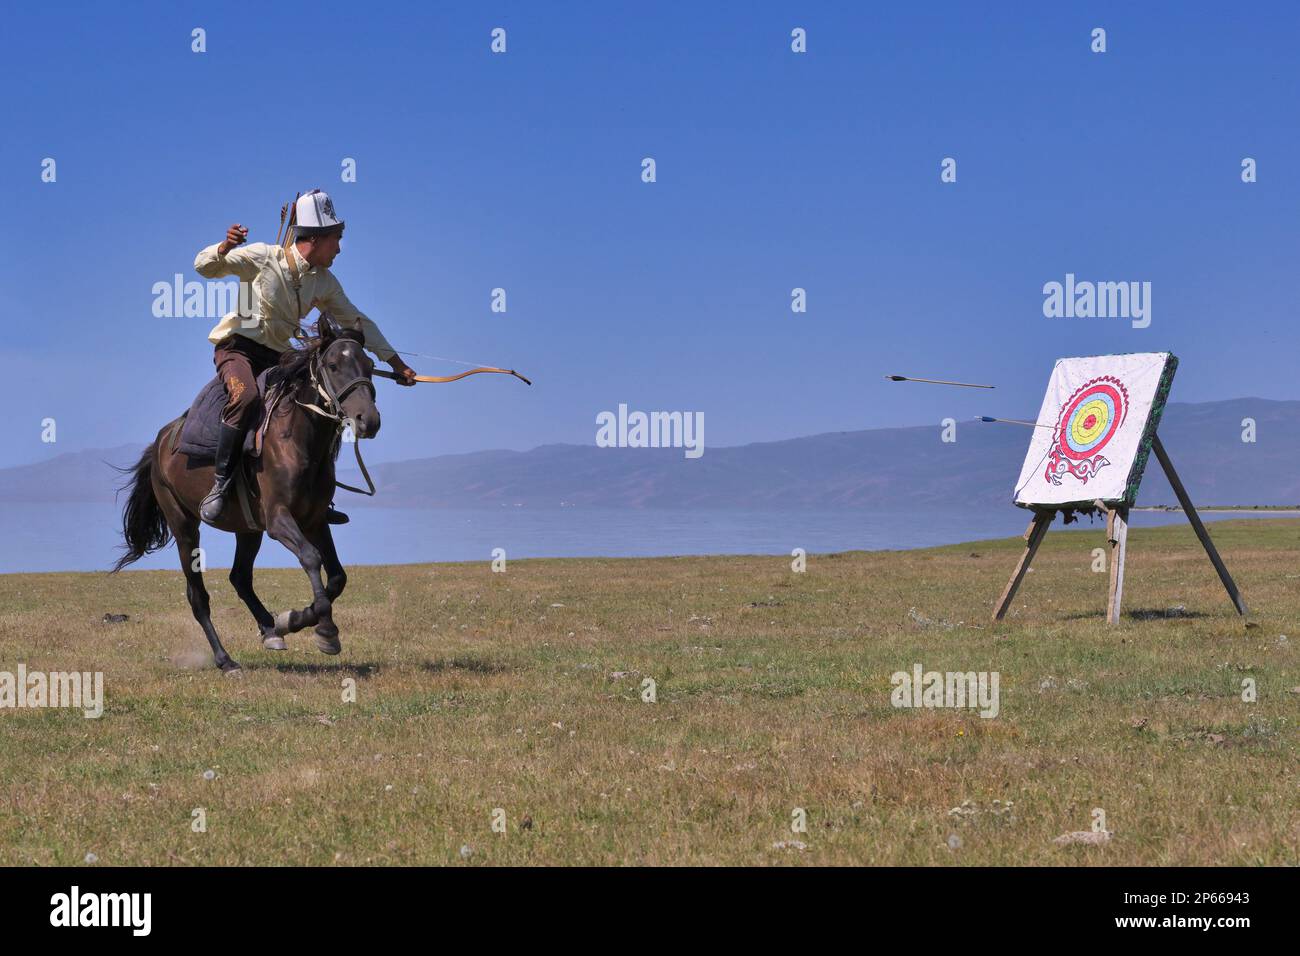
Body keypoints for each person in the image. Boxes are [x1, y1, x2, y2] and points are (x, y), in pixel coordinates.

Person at [192, 189, 416, 524]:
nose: (339, 248)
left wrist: (396, 363)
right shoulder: (263, 257)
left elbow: (359, 322)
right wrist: (225, 247)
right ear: (316, 238)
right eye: (336, 239)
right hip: (238, 348)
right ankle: (221, 486)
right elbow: (205, 267)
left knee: (320, 405)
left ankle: (315, 496)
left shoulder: (325, 282)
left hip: (278, 357)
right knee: (245, 396)